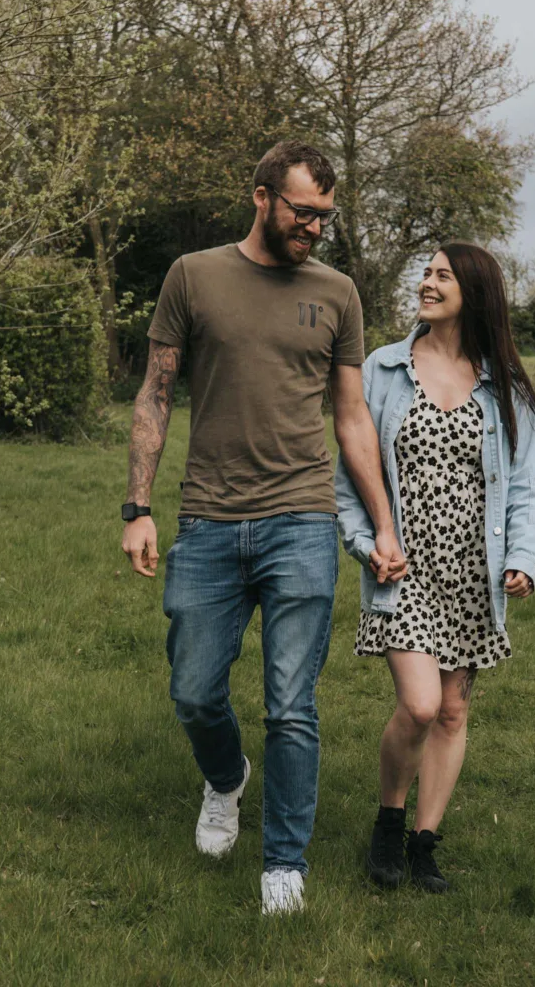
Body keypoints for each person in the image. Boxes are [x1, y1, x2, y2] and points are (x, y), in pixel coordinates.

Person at [121, 140, 406, 915]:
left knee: (291, 703)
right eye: (302, 211)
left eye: (325, 216)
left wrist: (383, 525)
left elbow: (350, 417)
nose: (314, 227)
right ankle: (224, 779)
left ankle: (285, 861)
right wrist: (138, 510)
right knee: (193, 692)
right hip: (210, 519)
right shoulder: (194, 275)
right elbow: (154, 394)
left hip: (302, 519)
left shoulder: (338, 292)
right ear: (260, 197)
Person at [335, 241, 535, 892]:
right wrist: (365, 539)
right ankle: (386, 821)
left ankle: (423, 842)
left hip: (471, 574)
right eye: (425, 273)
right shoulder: (382, 370)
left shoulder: (503, 386)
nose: (426, 284)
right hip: (404, 572)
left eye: (441, 275)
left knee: (453, 710)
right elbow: (349, 473)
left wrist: (520, 558)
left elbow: (527, 484)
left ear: (473, 292)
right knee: (421, 705)